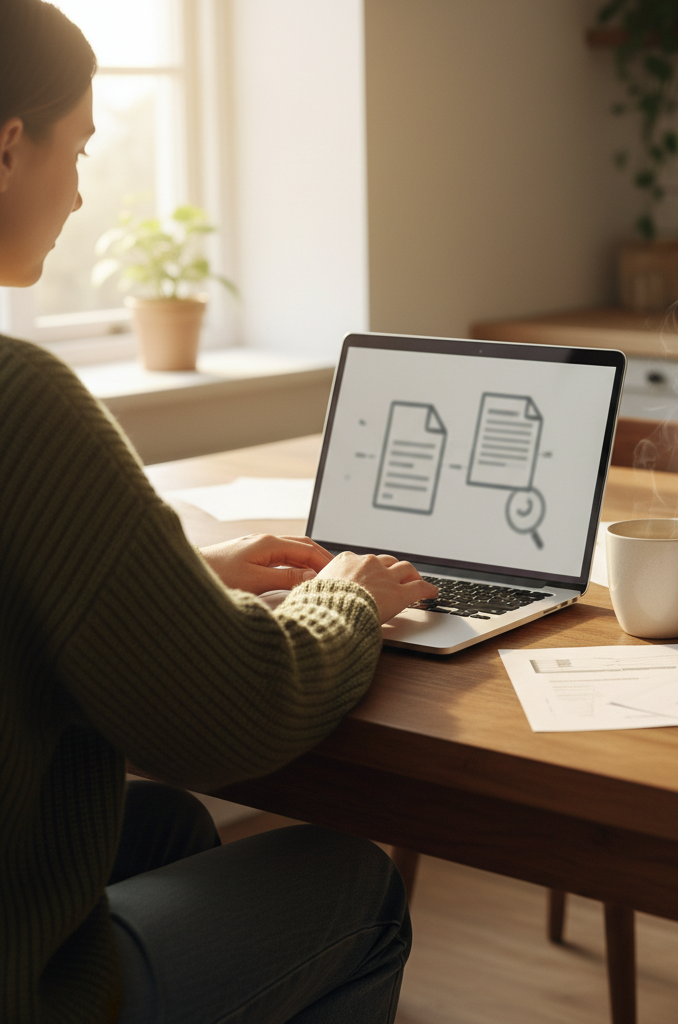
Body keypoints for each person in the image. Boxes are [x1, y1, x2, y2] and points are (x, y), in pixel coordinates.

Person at [0, 2, 438, 1021]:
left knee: (162, 830)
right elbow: (233, 713)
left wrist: (180, 578)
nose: (78, 193)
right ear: (9, 145)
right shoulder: (20, 398)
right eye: (80, 150)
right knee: (355, 884)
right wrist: (347, 601)